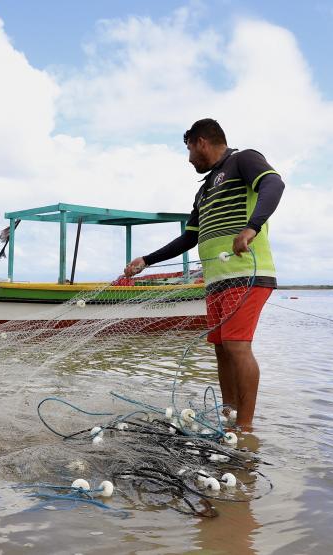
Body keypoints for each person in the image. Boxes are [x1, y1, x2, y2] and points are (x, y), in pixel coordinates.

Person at [124, 118, 284, 430]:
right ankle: (228, 417)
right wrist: (147, 260)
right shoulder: (204, 191)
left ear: (201, 142)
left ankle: (246, 428)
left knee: (238, 347)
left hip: (246, 274)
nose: (188, 158)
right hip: (216, 281)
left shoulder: (244, 159)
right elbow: (189, 237)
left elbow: (274, 184)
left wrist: (252, 226)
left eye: (188, 149)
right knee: (222, 349)